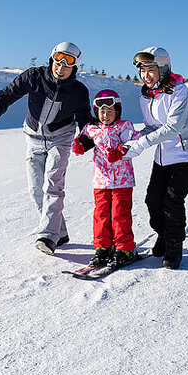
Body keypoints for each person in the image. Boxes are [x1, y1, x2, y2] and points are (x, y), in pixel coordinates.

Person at [0, 42, 92, 255]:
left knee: (53, 186)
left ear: (75, 67)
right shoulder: (34, 77)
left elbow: (85, 120)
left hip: (60, 139)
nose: (61, 68)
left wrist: (89, 138)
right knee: (36, 189)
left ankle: (48, 236)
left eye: (68, 64)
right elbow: (7, 95)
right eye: (58, 61)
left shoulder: (79, 91)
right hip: (33, 138)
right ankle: (60, 232)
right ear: (51, 59)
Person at [123, 47, 188, 269]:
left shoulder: (179, 92)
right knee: (152, 199)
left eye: (150, 70)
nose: (145, 76)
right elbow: (152, 126)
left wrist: (141, 144)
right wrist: (133, 139)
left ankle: (174, 248)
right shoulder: (146, 95)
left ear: (164, 68)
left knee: (172, 199)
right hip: (164, 156)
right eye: (142, 71)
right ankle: (164, 233)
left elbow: (172, 127)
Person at [72, 89, 141, 269]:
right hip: (101, 180)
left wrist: (121, 151)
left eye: (110, 111)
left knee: (119, 215)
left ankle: (125, 249)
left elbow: (133, 142)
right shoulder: (92, 128)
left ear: (117, 111)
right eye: (102, 112)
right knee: (101, 215)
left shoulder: (123, 126)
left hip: (122, 180)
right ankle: (103, 247)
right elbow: (84, 138)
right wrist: (79, 145)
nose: (106, 115)